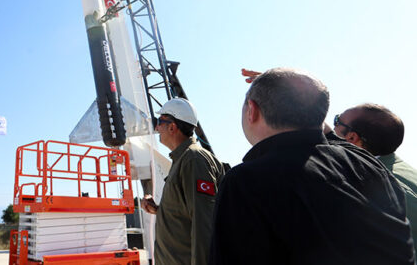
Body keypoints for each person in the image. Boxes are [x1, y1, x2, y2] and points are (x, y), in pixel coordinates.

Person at [209, 68, 415, 265]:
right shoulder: (368, 164)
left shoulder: (245, 182)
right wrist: (284, 94)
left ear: (251, 111)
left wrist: (277, 94)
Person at [141, 98, 226, 265]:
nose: (157, 128)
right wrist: (160, 211)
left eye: (160, 122)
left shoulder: (193, 160)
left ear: (172, 127)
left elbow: (203, 223)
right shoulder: (183, 160)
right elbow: (187, 212)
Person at [333, 103, 417, 254]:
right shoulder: (397, 168)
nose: (333, 128)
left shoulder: (387, 190)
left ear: (352, 137)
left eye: (337, 120)